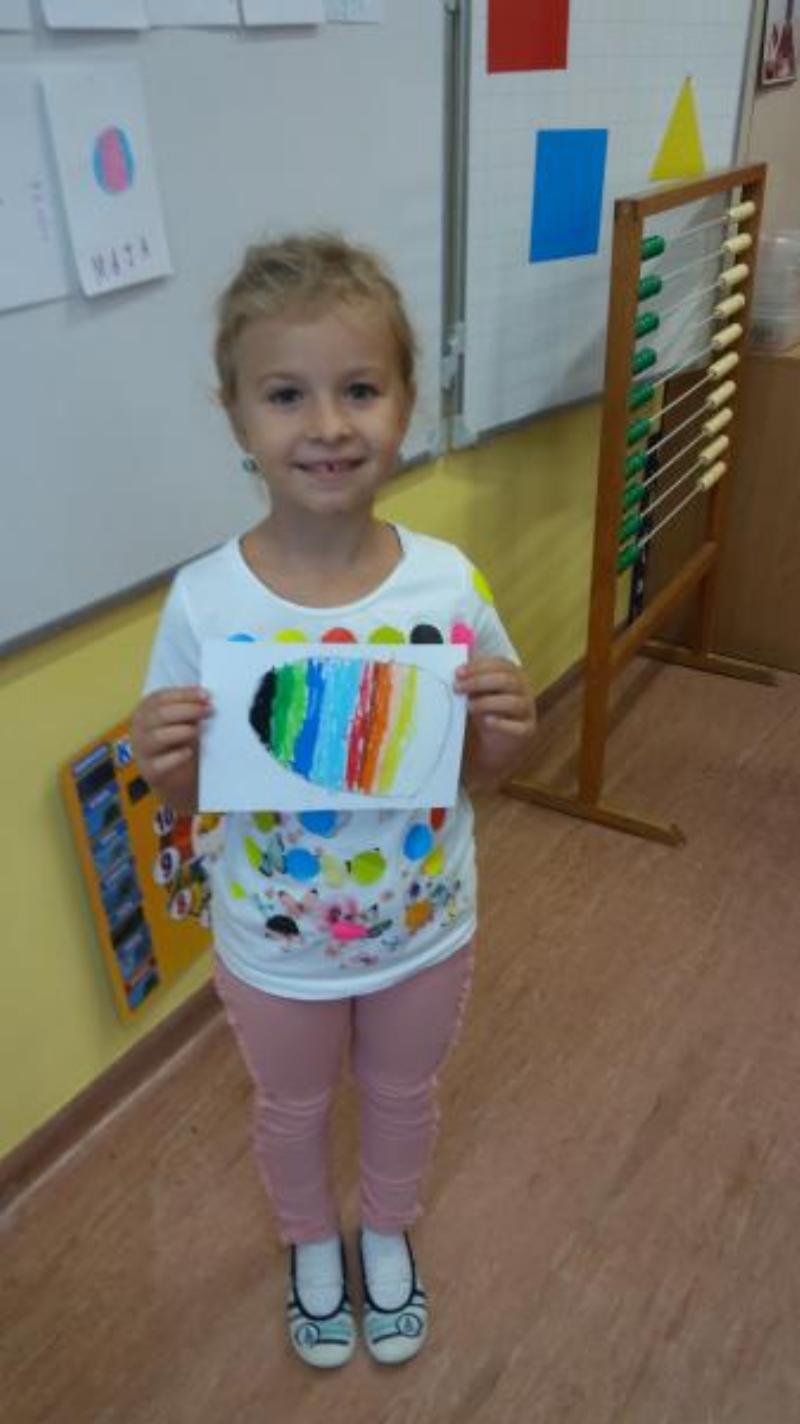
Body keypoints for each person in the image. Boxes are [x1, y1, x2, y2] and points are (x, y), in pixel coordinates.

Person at [131, 234, 536, 1370]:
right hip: (274, 942)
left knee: (404, 1090)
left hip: (425, 923)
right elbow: (188, 788)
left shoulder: (446, 581)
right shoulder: (205, 601)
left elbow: (485, 761)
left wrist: (509, 730)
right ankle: (312, 1239)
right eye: (285, 394)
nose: (327, 425)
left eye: (360, 388)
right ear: (236, 416)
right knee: (292, 1105)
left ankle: (388, 1225)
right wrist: (163, 760)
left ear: (407, 402)